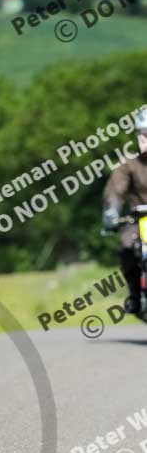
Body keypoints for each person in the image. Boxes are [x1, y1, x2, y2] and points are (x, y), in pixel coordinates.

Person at [103, 106, 147, 314]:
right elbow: (116, 190)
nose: (144, 139)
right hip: (139, 218)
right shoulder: (128, 163)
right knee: (127, 245)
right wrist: (112, 210)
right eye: (142, 134)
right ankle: (135, 295)